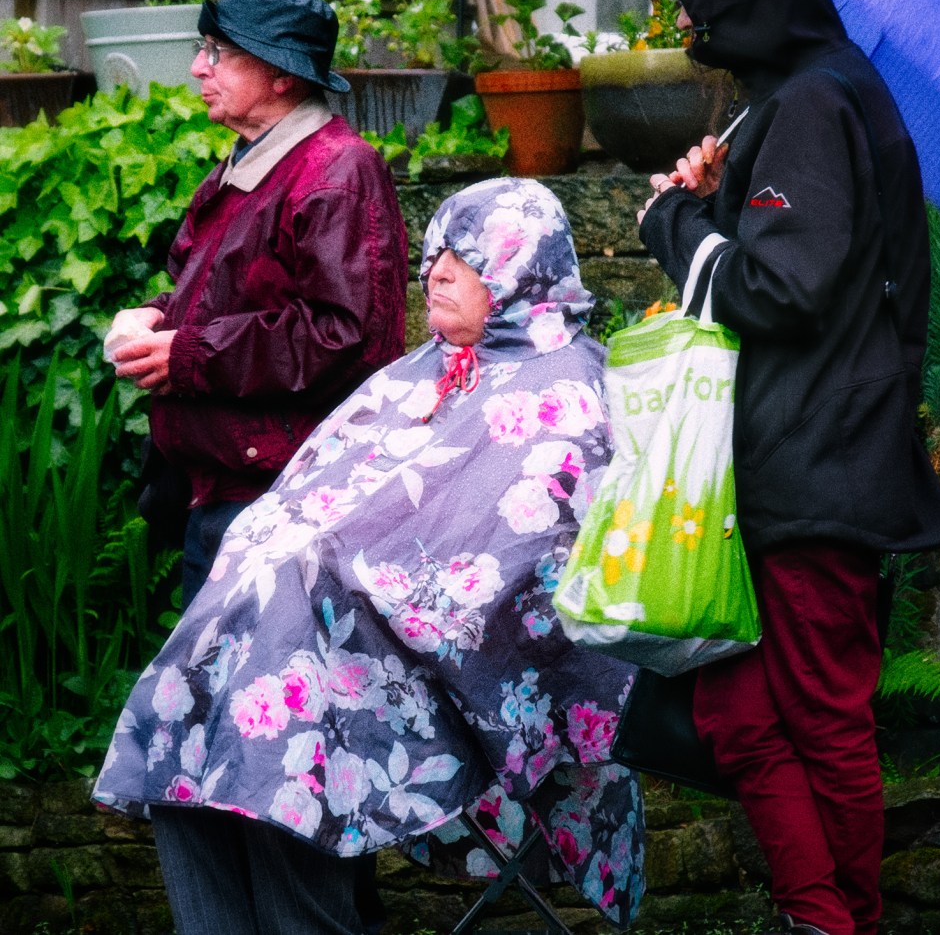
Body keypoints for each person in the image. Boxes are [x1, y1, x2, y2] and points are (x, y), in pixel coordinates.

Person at [94, 178, 645, 935]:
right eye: (435, 253)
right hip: (314, 635)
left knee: (278, 744)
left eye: (464, 257)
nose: (436, 272)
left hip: (459, 671)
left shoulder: (569, 386)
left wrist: (334, 576)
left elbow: (522, 568)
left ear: (522, 266)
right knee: (180, 735)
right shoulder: (431, 366)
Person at [633, 0, 940, 935]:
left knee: (820, 717)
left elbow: (783, 290)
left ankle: (837, 918)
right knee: (735, 712)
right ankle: (819, 914)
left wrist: (674, 221)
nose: (689, 25)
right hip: (787, 461)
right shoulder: (810, 95)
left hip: (814, 462)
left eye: (698, 1)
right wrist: (718, 200)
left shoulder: (815, 103)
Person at [107, 0, 408, 610]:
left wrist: (188, 354)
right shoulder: (249, 163)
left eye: (218, 52)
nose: (198, 68)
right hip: (224, 488)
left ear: (282, 75)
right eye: (202, 49)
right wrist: (151, 317)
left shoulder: (337, 172)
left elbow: (342, 336)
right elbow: (211, 294)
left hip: (282, 500)